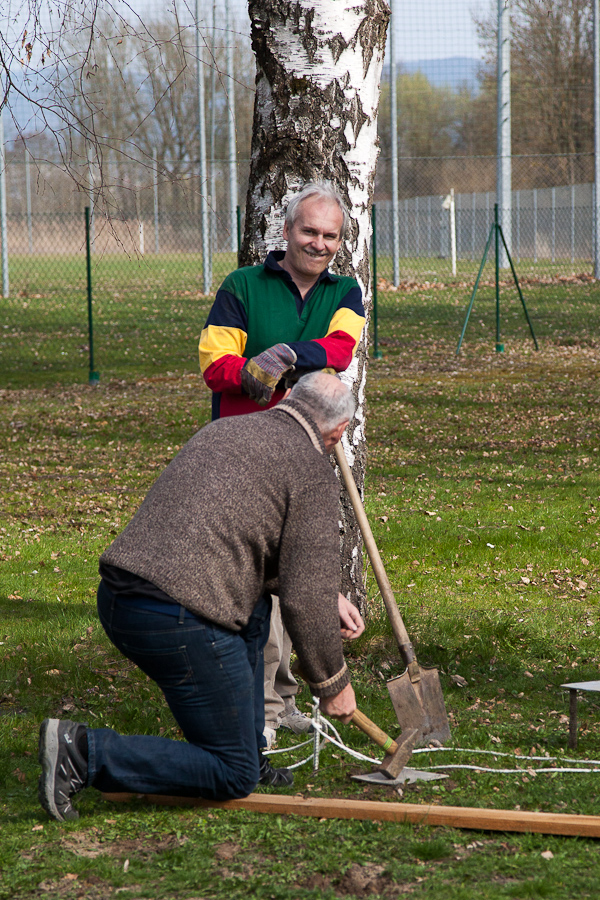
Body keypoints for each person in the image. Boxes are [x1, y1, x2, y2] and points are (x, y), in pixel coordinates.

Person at [38, 373, 365, 823]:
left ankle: (247, 747)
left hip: (119, 597)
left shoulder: (224, 429)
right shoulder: (311, 471)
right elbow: (303, 602)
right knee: (232, 775)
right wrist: (332, 684)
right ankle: (83, 752)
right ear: (339, 432)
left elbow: (246, 542)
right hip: (176, 619)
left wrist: (324, 593)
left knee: (255, 610)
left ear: (289, 396)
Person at [199, 182, 366, 747]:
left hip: (305, 448)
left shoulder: (346, 291)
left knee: (295, 568)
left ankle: (286, 696)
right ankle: (262, 712)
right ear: (287, 231)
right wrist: (252, 373)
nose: (318, 243)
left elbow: (341, 349)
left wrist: (292, 354)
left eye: (329, 236)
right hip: (244, 451)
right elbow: (214, 364)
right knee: (257, 573)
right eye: (308, 231)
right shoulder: (242, 286)